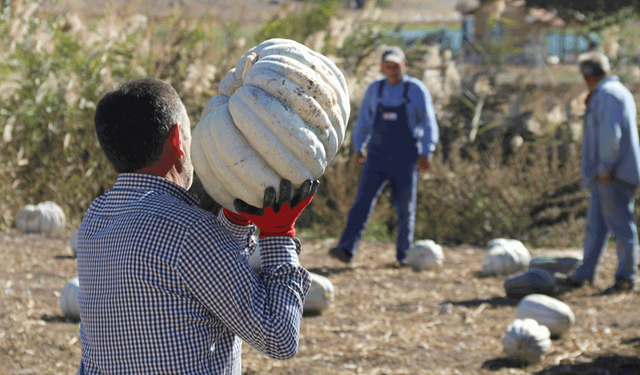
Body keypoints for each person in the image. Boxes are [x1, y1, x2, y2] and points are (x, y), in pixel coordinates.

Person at [76, 77, 318, 374]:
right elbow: (279, 338)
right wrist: (279, 235)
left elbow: (189, 283)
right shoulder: (190, 231)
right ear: (178, 139)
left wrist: (235, 220)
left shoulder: (95, 219)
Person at [328, 46, 439, 266]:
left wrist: (427, 151)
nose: (392, 70)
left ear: (404, 66)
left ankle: (403, 255)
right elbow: (364, 122)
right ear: (382, 67)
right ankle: (346, 249)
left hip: (406, 158)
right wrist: (358, 146)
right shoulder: (375, 90)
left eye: (396, 66)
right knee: (362, 203)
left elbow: (428, 122)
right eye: (388, 66)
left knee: (405, 208)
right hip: (376, 157)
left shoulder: (416, 90)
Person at [562, 51, 640, 294]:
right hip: (606, 174)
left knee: (621, 227)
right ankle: (585, 274)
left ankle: (626, 277)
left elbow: (611, 136)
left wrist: (605, 168)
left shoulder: (608, 95)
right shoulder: (614, 92)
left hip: (612, 174)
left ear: (587, 77)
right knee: (595, 226)